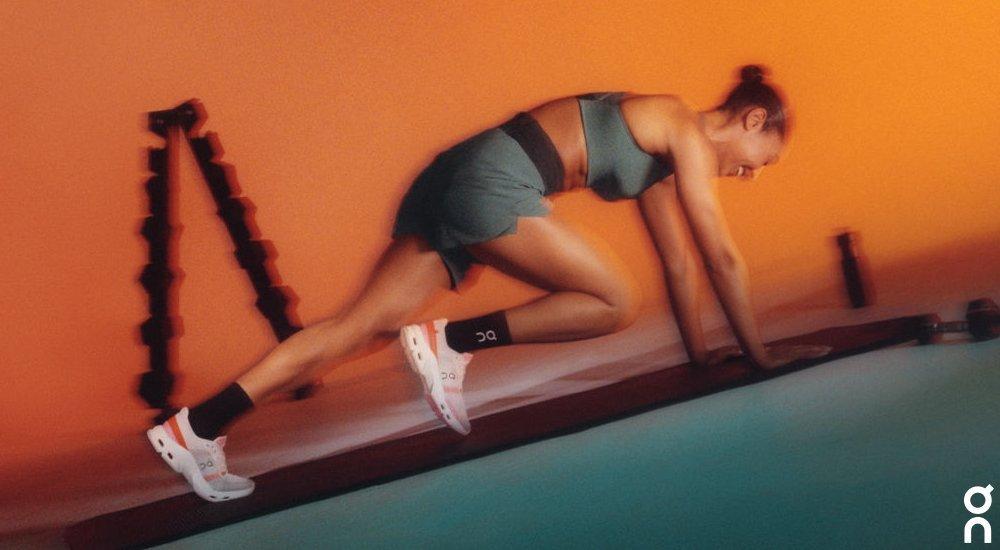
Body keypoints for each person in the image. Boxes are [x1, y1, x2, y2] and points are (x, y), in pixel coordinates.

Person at [146, 64, 832, 502]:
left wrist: (704, 356)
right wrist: (763, 359)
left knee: (357, 329)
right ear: (750, 120)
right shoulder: (682, 125)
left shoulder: (662, 158)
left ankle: (196, 427)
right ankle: (451, 342)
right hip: (493, 179)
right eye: (760, 160)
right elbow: (721, 259)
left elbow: (681, 264)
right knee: (617, 300)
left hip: (464, 172)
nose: (751, 175)